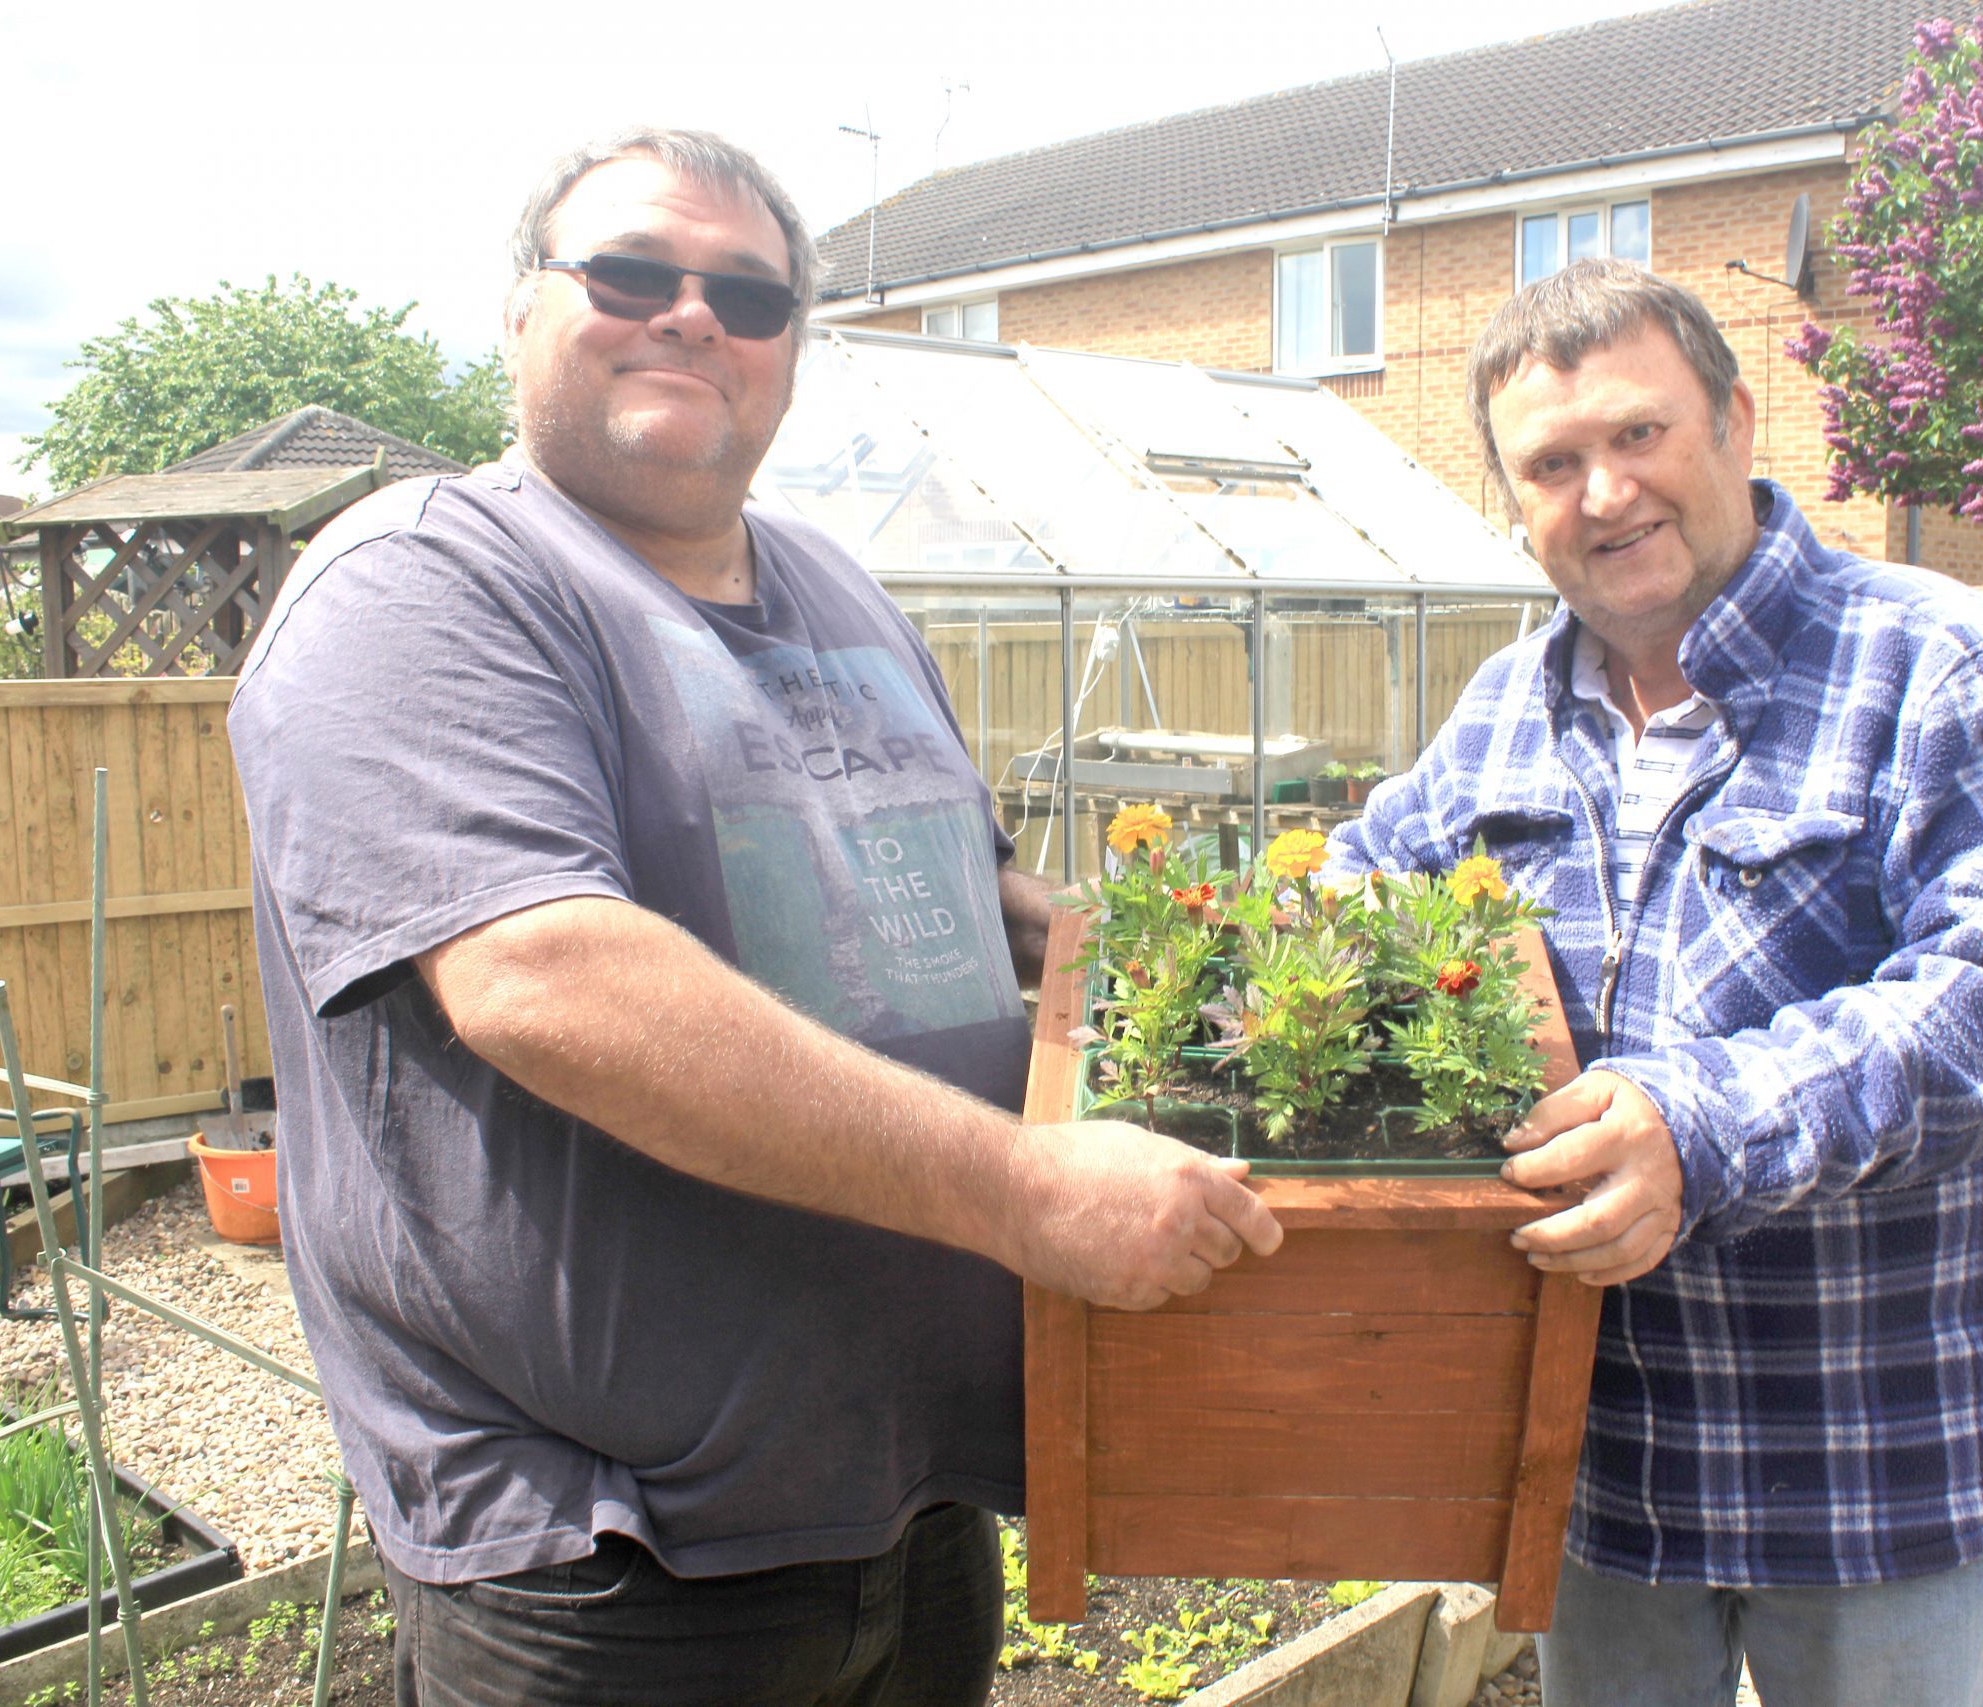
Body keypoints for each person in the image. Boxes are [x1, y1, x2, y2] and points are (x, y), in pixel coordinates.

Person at [228, 128, 1281, 1707]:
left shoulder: (836, 588)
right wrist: (1023, 1187)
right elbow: (540, 973)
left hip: (910, 1494)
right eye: (633, 274)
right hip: (608, 1553)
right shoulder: (426, 585)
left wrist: (1175, 972)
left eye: (749, 293)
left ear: (794, 345)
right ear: (521, 314)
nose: (692, 316)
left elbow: (960, 889)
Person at [1327, 259, 1983, 1706]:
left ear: (1739, 426)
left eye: (1639, 437)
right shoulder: (1507, 708)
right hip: (1599, 1453)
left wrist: (1700, 1126)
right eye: (1553, 465)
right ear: (1515, 504)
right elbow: (1360, 882)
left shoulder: (1933, 661)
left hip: (1865, 1456)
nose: (1605, 493)